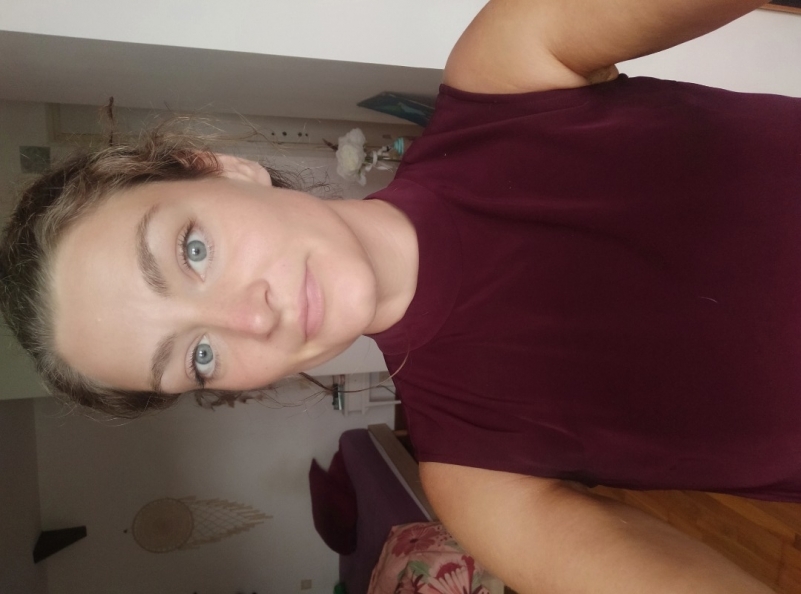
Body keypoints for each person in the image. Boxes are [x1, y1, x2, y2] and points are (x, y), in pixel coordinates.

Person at [0, 0, 796, 591]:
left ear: (218, 168)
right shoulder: (480, 490)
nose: (251, 317)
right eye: (198, 357)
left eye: (191, 251)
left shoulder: (507, 66)